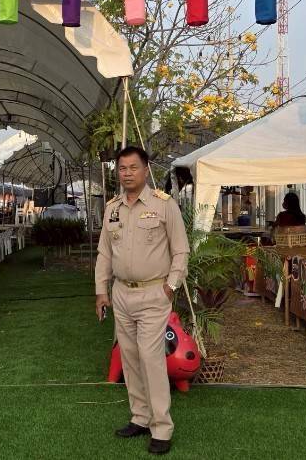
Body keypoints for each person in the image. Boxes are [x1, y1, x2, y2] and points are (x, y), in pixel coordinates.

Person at [94, 146, 189, 456]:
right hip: (122, 293)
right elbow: (104, 253)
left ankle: (162, 428)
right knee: (130, 358)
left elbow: (181, 250)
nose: (127, 173)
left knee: (150, 358)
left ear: (146, 170)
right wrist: (101, 291)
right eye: (122, 168)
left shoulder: (164, 205)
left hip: (153, 294)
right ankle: (140, 417)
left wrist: (171, 286)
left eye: (133, 167)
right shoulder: (112, 208)